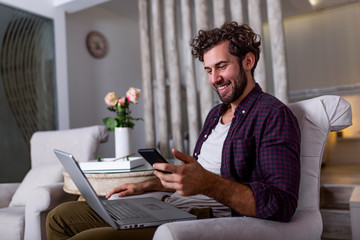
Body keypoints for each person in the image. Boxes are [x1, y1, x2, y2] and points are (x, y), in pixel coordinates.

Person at [46, 21, 301, 240]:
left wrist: (208, 184)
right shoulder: (216, 115)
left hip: (200, 220)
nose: (213, 79)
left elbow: (281, 204)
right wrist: (147, 186)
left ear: (248, 61)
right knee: (59, 216)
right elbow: (193, 180)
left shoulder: (272, 114)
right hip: (168, 207)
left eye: (222, 67)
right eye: (209, 70)